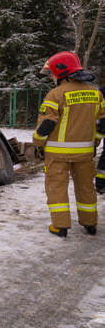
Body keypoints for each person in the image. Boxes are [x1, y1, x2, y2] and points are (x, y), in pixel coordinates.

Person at [32, 51, 105, 237]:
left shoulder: (56, 94)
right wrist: (95, 142)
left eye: (52, 72)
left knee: (57, 188)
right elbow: (101, 123)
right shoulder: (96, 93)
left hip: (58, 154)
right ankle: (90, 223)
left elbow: (47, 123)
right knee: (86, 187)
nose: (51, 76)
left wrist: (38, 142)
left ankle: (60, 226)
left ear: (60, 71)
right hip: (86, 153)